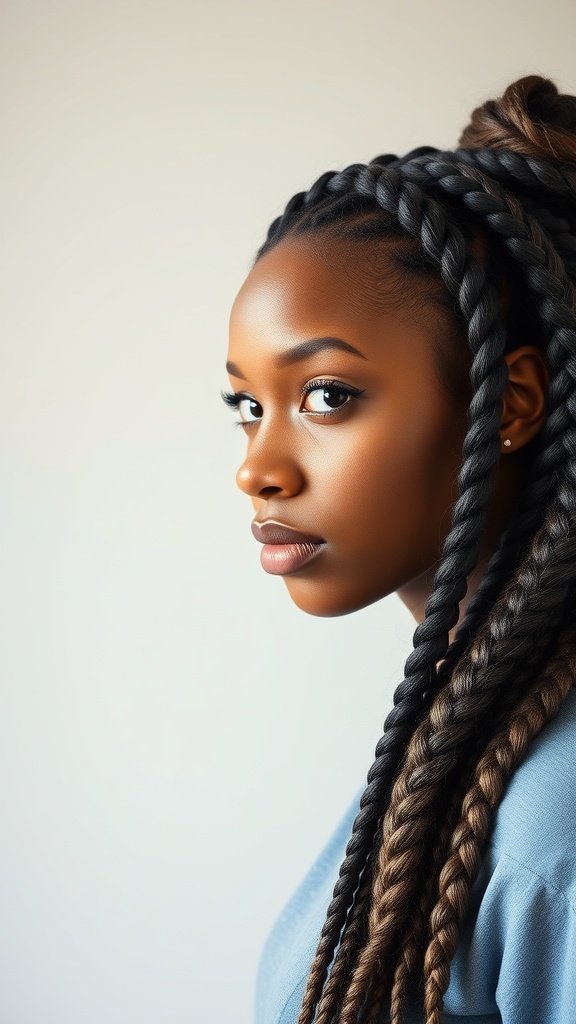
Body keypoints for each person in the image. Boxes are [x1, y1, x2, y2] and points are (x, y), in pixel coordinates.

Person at [223, 75, 576, 1024]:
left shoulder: (558, 833)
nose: (260, 468)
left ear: (511, 404)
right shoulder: (464, 732)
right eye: (247, 406)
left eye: (328, 395)